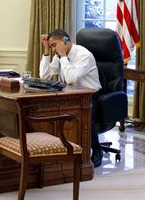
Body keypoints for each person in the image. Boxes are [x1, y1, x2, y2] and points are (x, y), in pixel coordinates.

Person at [39, 29, 104, 167]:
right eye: (52, 46)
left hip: (90, 94)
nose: (54, 50)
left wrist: (62, 56)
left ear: (65, 41)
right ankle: (61, 148)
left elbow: (71, 79)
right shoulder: (58, 54)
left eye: (54, 45)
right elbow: (44, 76)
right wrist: (46, 51)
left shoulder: (83, 55)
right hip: (69, 93)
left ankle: (96, 149)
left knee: (86, 116)